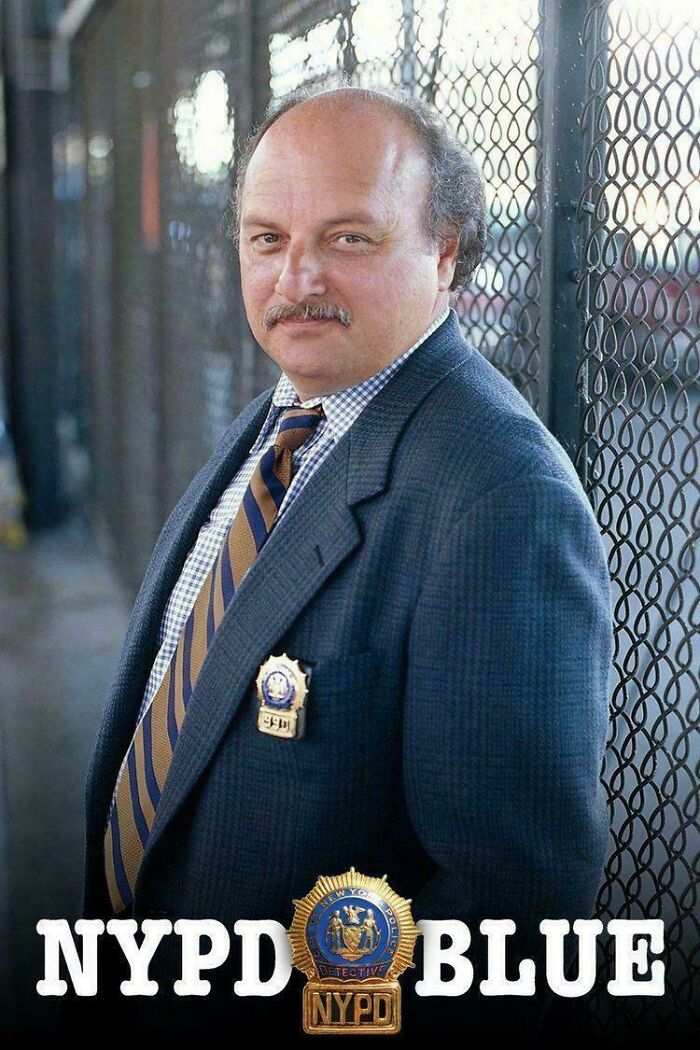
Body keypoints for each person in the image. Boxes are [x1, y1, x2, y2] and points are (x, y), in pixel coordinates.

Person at [82, 84, 612, 1038]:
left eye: (350, 239)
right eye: (267, 239)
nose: (296, 280)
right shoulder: (289, 413)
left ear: (445, 252)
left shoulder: (498, 498)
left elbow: (514, 917)